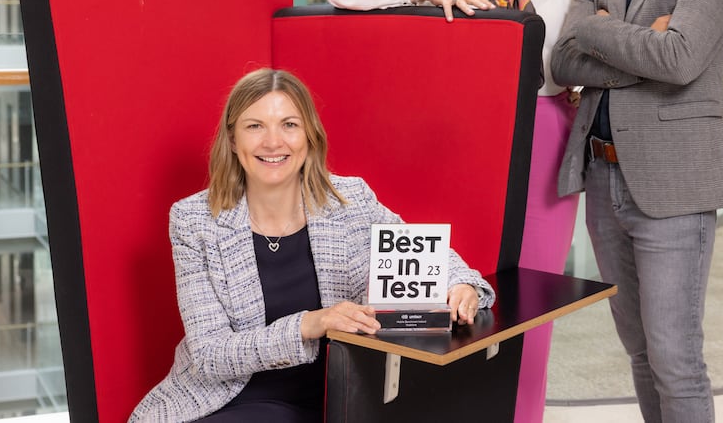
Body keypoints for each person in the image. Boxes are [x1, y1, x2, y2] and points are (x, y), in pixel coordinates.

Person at [327, 0, 587, 423]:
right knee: (461, 296)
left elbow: (590, 40)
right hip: (467, 141)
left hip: (547, 133)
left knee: (532, 300)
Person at [130, 68, 493, 423]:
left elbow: (417, 248)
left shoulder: (350, 200)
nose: (273, 142)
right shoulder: (194, 220)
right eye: (255, 126)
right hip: (222, 398)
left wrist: (460, 284)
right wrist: (310, 324)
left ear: (309, 136)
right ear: (232, 140)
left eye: (289, 125)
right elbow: (210, 355)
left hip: (334, 394)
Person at [550, 0, 723, 422]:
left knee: (675, 358)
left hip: (675, 185)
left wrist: (598, 29)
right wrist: (638, 41)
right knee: (637, 352)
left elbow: (681, 59)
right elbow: (562, 59)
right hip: (604, 183)